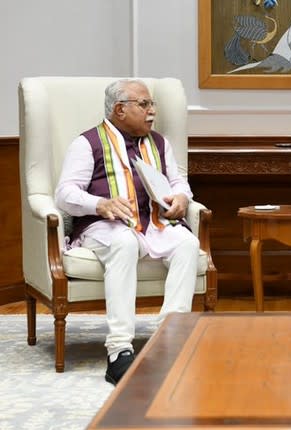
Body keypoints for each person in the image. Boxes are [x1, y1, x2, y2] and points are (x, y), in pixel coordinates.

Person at [55, 79, 199, 385]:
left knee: (187, 243)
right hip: (105, 226)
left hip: (154, 224)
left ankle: (169, 340)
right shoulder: (87, 143)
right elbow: (64, 193)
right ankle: (118, 350)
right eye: (144, 105)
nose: (152, 112)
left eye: (152, 105)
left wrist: (182, 198)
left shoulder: (159, 142)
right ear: (120, 110)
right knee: (123, 242)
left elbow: (178, 181)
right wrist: (100, 204)